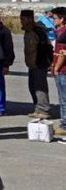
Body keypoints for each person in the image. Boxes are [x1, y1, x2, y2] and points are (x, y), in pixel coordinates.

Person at [20, 10, 53, 120]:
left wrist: (45, 63)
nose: (21, 22)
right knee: (33, 87)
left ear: (30, 19)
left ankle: (44, 109)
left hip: (39, 64)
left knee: (40, 88)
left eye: (23, 19)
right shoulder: (28, 31)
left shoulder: (38, 31)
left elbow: (45, 48)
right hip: (32, 64)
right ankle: (38, 108)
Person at [50, 8, 66, 138]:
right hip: (59, 68)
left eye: (55, 18)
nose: (53, 20)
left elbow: (63, 54)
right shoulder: (58, 32)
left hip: (63, 70)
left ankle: (64, 125)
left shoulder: (63, 34)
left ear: (62, 19)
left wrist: (56, 68)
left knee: (64, 99)